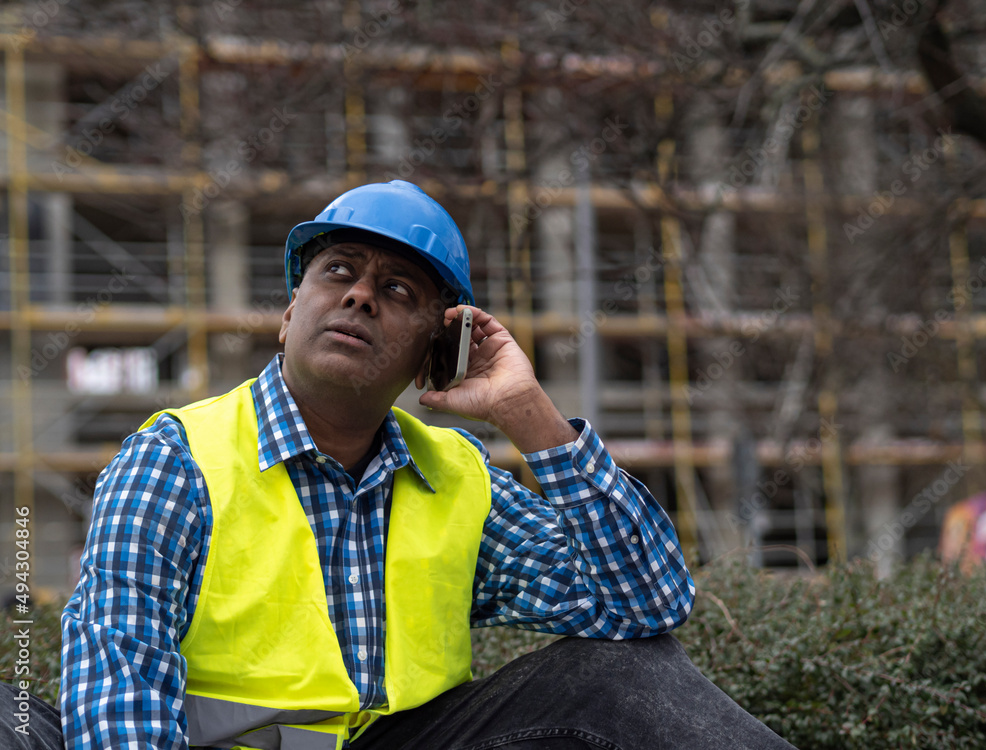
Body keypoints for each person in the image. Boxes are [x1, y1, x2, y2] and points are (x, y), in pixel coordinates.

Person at [2, 180, 797, 749]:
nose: (359, 296)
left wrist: (528, 413)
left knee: (620, 674)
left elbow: (646, 605)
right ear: (288, 314)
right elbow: (121, 697)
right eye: (338, 272)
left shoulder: (457, 475)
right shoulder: (176, 460)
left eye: (398, 289)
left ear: (435, 350)